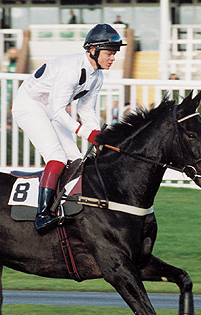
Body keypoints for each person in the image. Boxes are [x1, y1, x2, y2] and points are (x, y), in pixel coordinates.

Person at [12, 23, 125, 232]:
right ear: (93, 50)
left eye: (114, 54)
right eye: (109, 53)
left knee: (75, 159)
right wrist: (86, 132)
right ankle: (42, 214)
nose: (113, 58)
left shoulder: (97, 76)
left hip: (48, 108)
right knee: (57, 158)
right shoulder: (69, 69)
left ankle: (67, 207)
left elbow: (87, 110)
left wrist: (97, 135)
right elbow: (57, 112)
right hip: (29, 105)